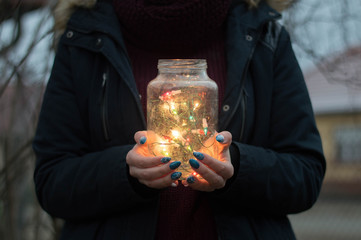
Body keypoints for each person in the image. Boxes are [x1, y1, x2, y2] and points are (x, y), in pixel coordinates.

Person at [33, 0, 326, 239]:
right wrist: (125, 173)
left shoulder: (264, 34)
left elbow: (305, 175)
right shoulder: (84, 36)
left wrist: (237, 166)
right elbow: (52, 181)